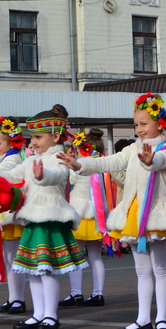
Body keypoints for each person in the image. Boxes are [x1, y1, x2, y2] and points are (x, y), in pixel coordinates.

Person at [58, 94, 166, 329]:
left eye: (144, 124)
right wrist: (80, 165)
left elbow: (165, 160)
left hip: (156, 214)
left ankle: (161, 319)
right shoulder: (132, 148)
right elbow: (109, 162)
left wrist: (152, 159)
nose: (139, 129)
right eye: (136, 124)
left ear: (160, 124)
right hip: (133, 214)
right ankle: (142, 319)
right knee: (142, 270)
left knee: (160, 268)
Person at [0, 104, 88, 329]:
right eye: (32, 137)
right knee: (33, 270)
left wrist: (42, 175)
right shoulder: (31, 160)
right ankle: (38, 314)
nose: (33, 142)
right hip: (32, 219)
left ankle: (50, 316)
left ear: (56, 136)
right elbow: (12, 175)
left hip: (50, 220)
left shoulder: (58, 158)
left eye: (38, 137)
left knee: (46, 269)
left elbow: (58, 175)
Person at [59, 128, 112, 308]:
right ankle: (98, 294)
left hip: (79, 214)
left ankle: (76, 293)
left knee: (75, 256)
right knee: (96, 257)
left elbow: (69, 183)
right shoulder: (101, 164)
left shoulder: (80, 165)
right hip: (97, 215)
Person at [0, 117, 28, 314]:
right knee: (8, 257)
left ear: (11, 141)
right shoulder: (5, 158)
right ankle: (14, 297)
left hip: (12, 212)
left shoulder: (13, 159)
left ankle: (18, 299)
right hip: (5, 212)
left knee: (14, 257)